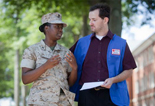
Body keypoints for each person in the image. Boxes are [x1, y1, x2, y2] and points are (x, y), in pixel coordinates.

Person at [69, 3, 137, 106]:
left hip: (112, 97)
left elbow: (129, 70)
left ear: (105, 20)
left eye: (94, 20)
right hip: (86, 97)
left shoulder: (121, 43)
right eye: (90, 19)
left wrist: (113, 80)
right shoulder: (81, 43)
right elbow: (65, 61)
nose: (90, 23)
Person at [21, 12, 77, 106]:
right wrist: (45, 66)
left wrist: (75, 68)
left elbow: (70, 83)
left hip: (62, 103)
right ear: (46, 28)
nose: (60, 30)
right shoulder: (31, 50)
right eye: (57, 27)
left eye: (61, 27)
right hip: (40, 102)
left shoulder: (66, 52)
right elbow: (25, 79)